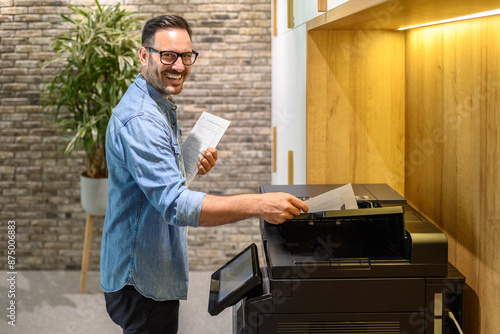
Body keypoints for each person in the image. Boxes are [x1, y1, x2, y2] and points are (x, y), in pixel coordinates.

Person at [100, 14, 308, 334]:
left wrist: (185, 165)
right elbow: (175, 205)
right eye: (168, 55)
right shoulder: (141, 119)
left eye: (186, 56)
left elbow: (153, 183)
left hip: (147, 263)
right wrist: (260, 204)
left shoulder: (156, 103)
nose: (180, 66)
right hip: (139, 277)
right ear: (144, 55)